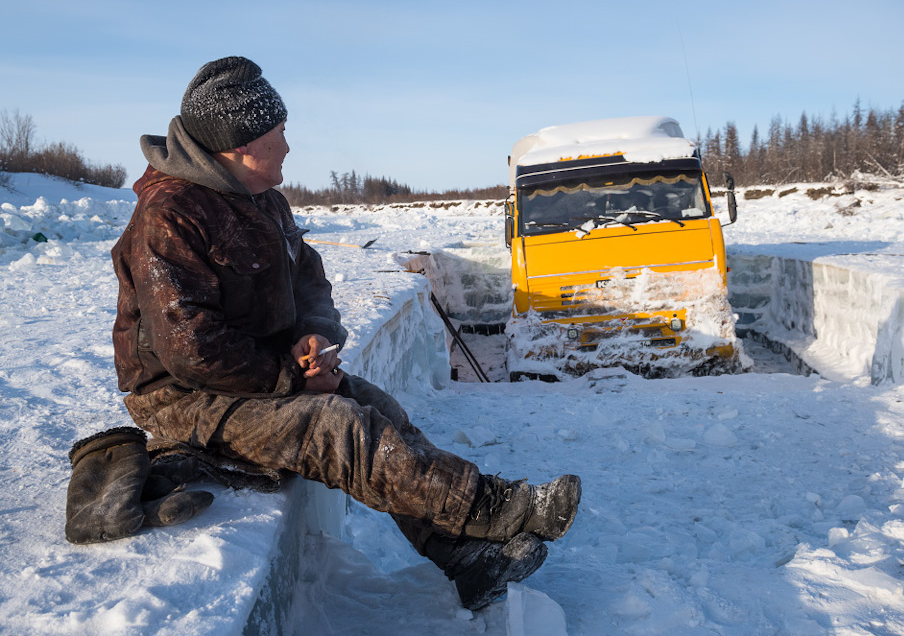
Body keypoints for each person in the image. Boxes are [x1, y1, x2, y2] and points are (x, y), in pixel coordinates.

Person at [103, 56, 581, 611]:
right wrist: (290, 379)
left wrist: (312, 336)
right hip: (183, 399)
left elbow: (309, 278)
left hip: (251, 374)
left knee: (376, 405)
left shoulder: (264, 201)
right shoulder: (169, 215)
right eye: (278, 134)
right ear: (239, 145)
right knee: (341, 428)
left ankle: (462, 556)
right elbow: (189, 347)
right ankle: (493, 507)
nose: (288, 145)